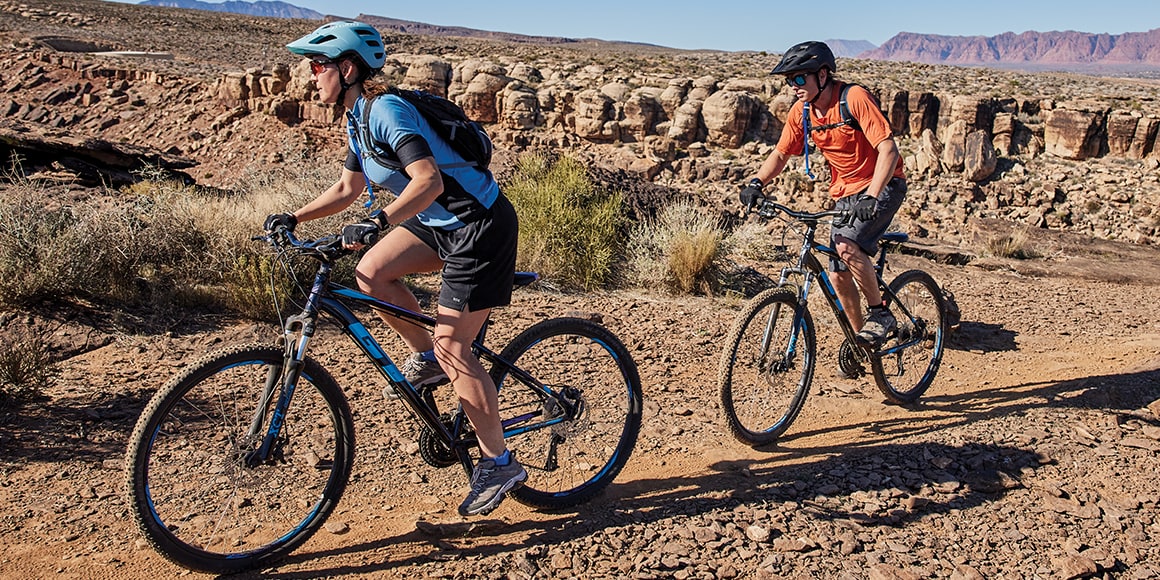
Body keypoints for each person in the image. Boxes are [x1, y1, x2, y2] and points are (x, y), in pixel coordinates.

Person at [265, 21, 526, 517]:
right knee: (372, 272)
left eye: (318, 66)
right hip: (440, 223)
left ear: (348, 69)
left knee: (456, 348)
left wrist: (379, 219)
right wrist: (295, 216)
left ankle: (499, 463)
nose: (311, 75)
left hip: (479, 225)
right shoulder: (356, 117)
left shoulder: (385, 110)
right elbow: (346, 190)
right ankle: (427, 359)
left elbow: (426, 180)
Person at [739, 40, 907, 346]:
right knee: (838, 275)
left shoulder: (853, 98)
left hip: (883, 185)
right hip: (846, 194)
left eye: (800, 78)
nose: (794, 86)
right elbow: (780, 154)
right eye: (790, 80)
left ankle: (880, 313)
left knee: (846, 247)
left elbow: (888, 150)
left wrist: (872, 195)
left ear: (823, 75)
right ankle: (861, 342)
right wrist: (756, 183)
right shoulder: (802, 112)